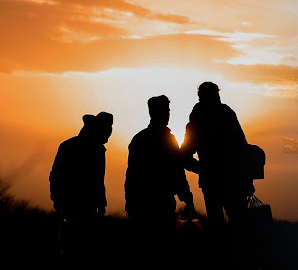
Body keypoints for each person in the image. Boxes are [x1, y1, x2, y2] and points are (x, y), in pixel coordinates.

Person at [182, 82, 254, 235]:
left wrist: (203, 170)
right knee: (238, 226)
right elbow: (242, 148)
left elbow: (185, 156)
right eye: (215, 95)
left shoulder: (197, 121)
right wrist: (247, 180)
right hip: (233, 180)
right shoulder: (225, 115)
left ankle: (222, 254)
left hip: (216, 183)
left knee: (219, 227)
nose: (217, 99)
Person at [124, 95, 195, 249]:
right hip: (161, 203)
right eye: (166, 111)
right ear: (156, 113)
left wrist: (130, 202)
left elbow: (131, 175)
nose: (168, 114)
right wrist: (187, 197)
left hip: (141, 204)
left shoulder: (138, 139)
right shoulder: (167, 139)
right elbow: (177, 171)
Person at [50, 111, 113, 261]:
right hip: (77, 208)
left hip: (80, 208)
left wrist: (101, 203)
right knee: (79, 251)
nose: (110, 133)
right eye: (108, 128)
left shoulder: (74, 145)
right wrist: (58, 200)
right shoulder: (92, 149)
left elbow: (97, 180)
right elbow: (56, 175)